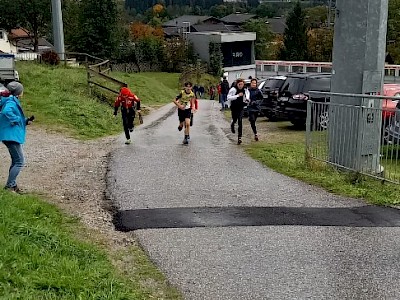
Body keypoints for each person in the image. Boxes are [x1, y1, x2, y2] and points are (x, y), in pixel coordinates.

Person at [0, 81, 34, 193]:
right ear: (18, 92)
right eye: (21, 90)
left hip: (10, 135)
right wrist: (15, 119)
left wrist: (25, 121)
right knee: (20, 161)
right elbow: (6, 112)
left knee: (15, 161)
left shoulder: (12, 100)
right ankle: (10, 186)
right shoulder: (11, 102)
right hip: (10, 136)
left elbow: (15, 119)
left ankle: (12, 185)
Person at [227, 78, 247, 145]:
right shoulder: (233, 89)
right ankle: (232, 123)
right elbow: (228, 97)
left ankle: (239, 138)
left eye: (242, 84)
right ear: (237, 84)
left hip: (241, 107)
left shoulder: (245, 90)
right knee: (235, 119)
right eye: (239, 84)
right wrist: (237, 95)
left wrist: (247, 100)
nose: (241, 86)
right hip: (234, 107)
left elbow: (247, 97)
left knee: (240, 121)